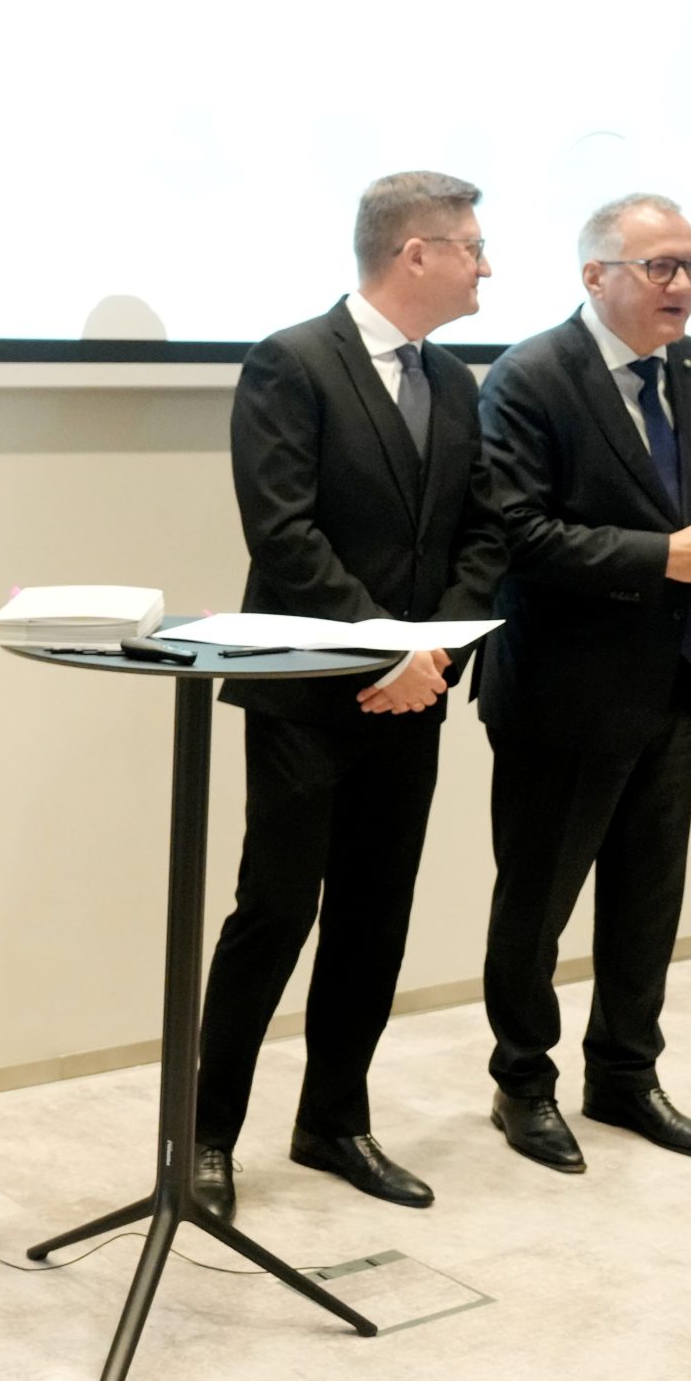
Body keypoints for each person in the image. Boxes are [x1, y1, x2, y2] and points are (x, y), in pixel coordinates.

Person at [192, 171, 508, 1221]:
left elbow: (482, 532)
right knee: (275, 913)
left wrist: (435, 651)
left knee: (375, 917)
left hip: (415, 694)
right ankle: (204, 1137)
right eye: (471, 246)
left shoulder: (456, 380)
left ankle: (333, 1120)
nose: (486, 265)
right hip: (307, 694)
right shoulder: (291, 362)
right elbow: (283, 534)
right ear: (415, 253)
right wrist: (384, 649)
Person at [475, 193, 691, 1173]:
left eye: (690, 265)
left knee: (647, 898)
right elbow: (516, 535)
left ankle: (625, 1076)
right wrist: (662, 557)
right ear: (594, 276)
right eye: (658, 266)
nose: (680, 284)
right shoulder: (530, 376)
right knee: (538, 904)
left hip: (675, 676)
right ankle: (523, 1083)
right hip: (561, 689)